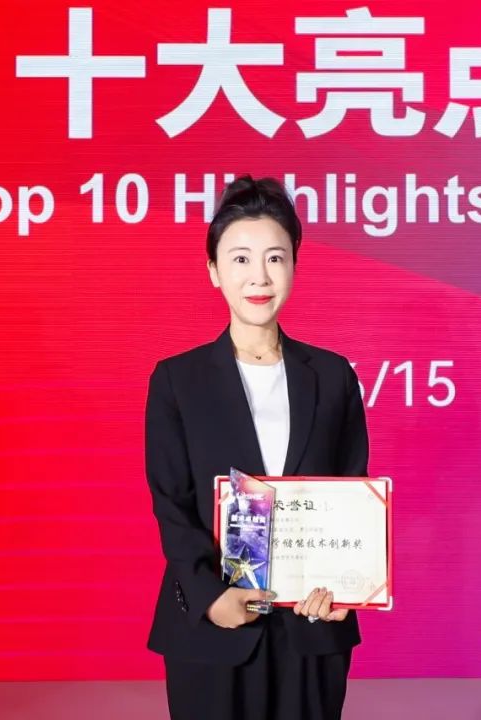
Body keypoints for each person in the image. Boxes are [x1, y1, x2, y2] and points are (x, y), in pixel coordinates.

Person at [144, 175, 371, 720]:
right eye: (240, 259)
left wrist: (346, 585)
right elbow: (172, 505)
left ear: (294, 265)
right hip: (214, 625)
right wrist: (210, 597)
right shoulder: (177, 380)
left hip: (311, 625)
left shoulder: (333, 376)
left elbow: (351, 493)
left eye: (275, 258)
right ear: (214, 271)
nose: (259, 276)